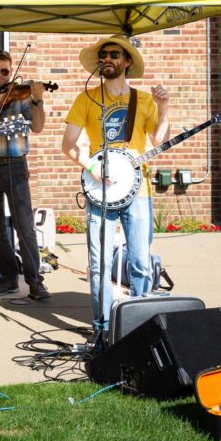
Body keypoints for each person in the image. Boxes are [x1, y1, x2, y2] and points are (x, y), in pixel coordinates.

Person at [60, 35, 170, 337]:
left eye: (114, 54)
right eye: (103, 55)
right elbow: (68, 145)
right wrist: (92, 167)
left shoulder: (143, 100)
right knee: (99, 264)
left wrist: (164, 107)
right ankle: (103, 329)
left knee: (140, 262)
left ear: (127, 61)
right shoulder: (86, 99)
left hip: (138, 190)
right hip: (101, 191)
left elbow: (158, 139)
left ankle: (141, 326)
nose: (107, 59)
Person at [0, 50, 51, 301]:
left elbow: (38, 127)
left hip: (15, 166)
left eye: (4, 71)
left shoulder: (23, 97)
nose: (0, 75)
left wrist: (38, 100)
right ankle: (8, 279)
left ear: (10, 72)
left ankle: (35, 282)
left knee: (24, 226)